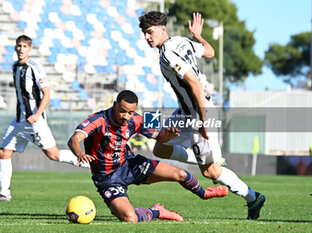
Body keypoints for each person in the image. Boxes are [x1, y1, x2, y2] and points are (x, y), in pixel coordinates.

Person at [139, 11, 266, 219]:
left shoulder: (169, 54)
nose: (147, 37)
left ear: (163, 29)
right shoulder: (181, 41)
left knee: (210, 173)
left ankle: (253, 197)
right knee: (160, 147)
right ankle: (212, 157)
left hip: (199, 112)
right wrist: (198, 35)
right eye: (144, 33)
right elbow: (209, 51)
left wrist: (204, 120)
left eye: (150, 32)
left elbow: (195, 85)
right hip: (185, 113)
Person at [67, 90, 228, 222]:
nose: (126, 116)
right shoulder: (99, 119)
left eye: (130, 112)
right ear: (115, 105)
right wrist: (80, 153)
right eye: (122, 111)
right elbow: (74, 139)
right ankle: (156, 211)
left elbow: (160, 137)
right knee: (130, 218)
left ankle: (204, 193)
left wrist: (169, 136)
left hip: (130, 165)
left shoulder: (136, 119)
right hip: (107, 178)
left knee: (181, 174)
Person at [0, 35, 88, 202]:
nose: (20, 49)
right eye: (18, 46)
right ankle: (4, 193)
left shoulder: (35, 67)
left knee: (53, 154)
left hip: (35, 121)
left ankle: (90, 163)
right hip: (19, 121)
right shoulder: (14, 67)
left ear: (29, 49)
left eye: (24, 46)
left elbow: (46, 94)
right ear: (15, 48)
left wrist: (37, 114)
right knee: (4, 152)